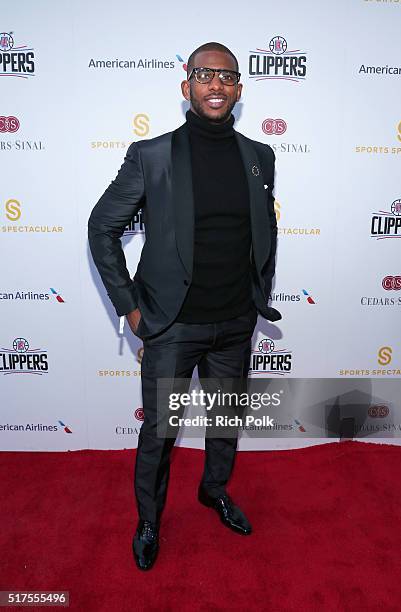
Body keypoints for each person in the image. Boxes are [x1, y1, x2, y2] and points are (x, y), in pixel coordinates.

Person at [88, 41, 281, 571]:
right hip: (171, 326)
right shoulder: (152, 156)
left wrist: (258, 291)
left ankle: (213, 490)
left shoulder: (259, 157)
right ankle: (149, 518)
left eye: (225, 76)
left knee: (224, 421)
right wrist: (130, 307)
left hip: (236, 322)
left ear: (239, 89)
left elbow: (265, 228)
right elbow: (101, 227)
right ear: (186, 86)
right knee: (160, 431)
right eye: (203, 74)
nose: (215, 84)